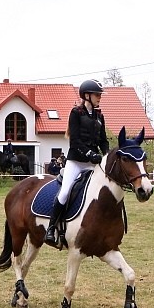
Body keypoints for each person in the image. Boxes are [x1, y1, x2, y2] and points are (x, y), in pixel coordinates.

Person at [45, 80, 110, 248]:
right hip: (76, 162)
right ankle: (51, 229)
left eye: (100, 95)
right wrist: (89, 153)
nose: (99, 98)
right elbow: (74, 141)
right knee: (65, 192)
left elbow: (103, 141)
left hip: (93, 163)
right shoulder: (76, 113)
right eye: (97, 95)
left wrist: (107, 155)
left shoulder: (100, 116)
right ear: (87, 95)